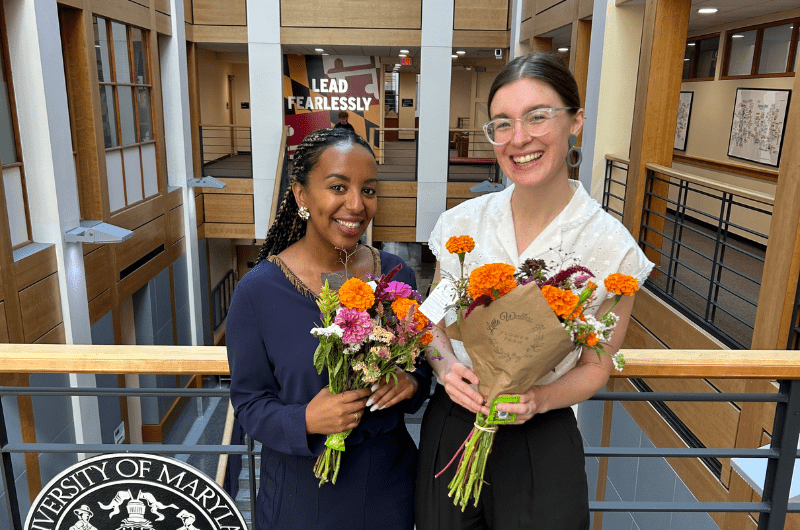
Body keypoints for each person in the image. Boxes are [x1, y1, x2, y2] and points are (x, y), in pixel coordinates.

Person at [415, 53, 654, 529]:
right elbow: (430, 318)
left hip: (540, 431)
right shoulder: (462, 224)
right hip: (455, 418)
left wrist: (538, 401)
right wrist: (445, 369)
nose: (519, 138)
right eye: (502, 123)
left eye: (538, 117)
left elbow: (596, 365)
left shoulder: (611, 249)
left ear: (576, 122)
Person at [226, 127, 430, 530]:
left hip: (389, 486)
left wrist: (410, 383)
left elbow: (421, 368)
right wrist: (304, 419)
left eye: (368, 190)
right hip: (304, 494)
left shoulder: (395, 275)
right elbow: (248, 405)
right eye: (338, 187)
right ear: (302, 195)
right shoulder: (258, 293)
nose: (356, 205)